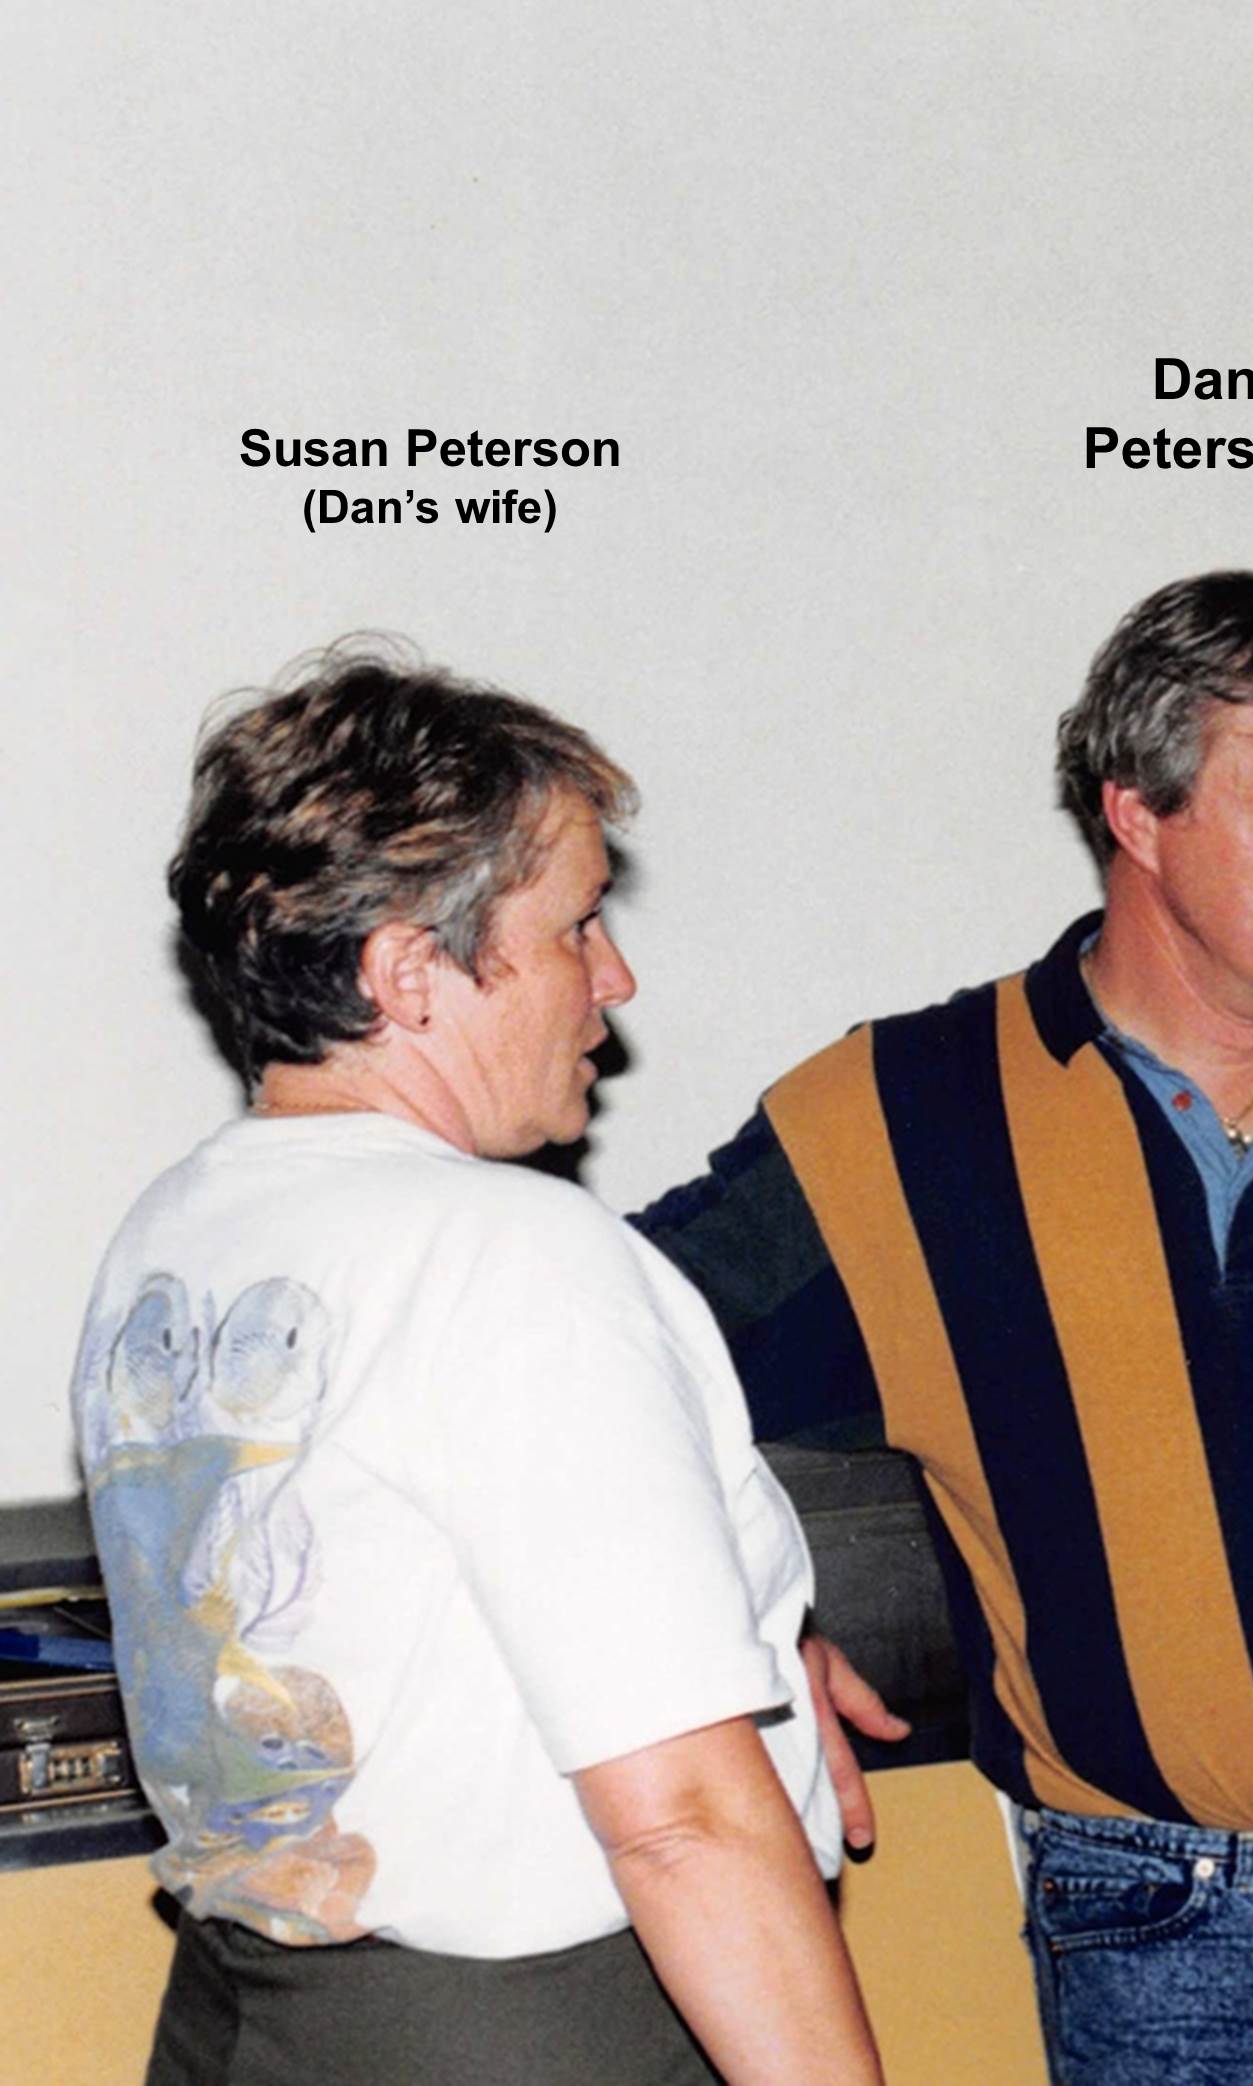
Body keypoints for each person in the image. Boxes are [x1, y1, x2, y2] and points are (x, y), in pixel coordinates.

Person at [637, 571, 1253, 2084]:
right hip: (1174, 1934)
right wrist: (728, 1637)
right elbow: (588, 1365)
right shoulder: (902, 1118)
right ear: (1140, 815)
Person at [72, 644, 881, 2084]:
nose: (613, 979)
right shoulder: (511, 1252)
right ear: (410, 972)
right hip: (532, 2032)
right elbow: (683, 1820)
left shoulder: (175, 1232)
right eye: (576, 925)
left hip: (245, 2015)